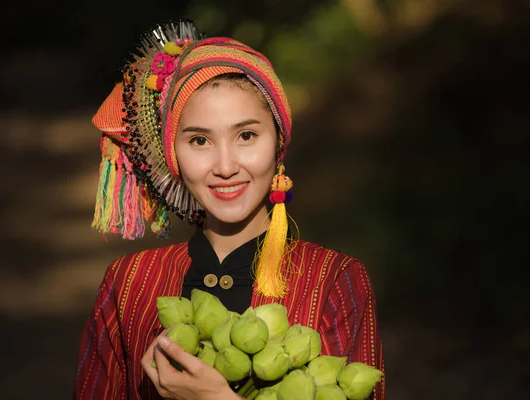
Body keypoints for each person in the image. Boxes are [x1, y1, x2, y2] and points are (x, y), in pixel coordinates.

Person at [74, 19, 385, 399]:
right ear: (174, 157)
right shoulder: (128, 283)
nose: (224, 166)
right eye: (200, 140)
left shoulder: (335, 279)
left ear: (278, 145)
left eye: (246, 136)